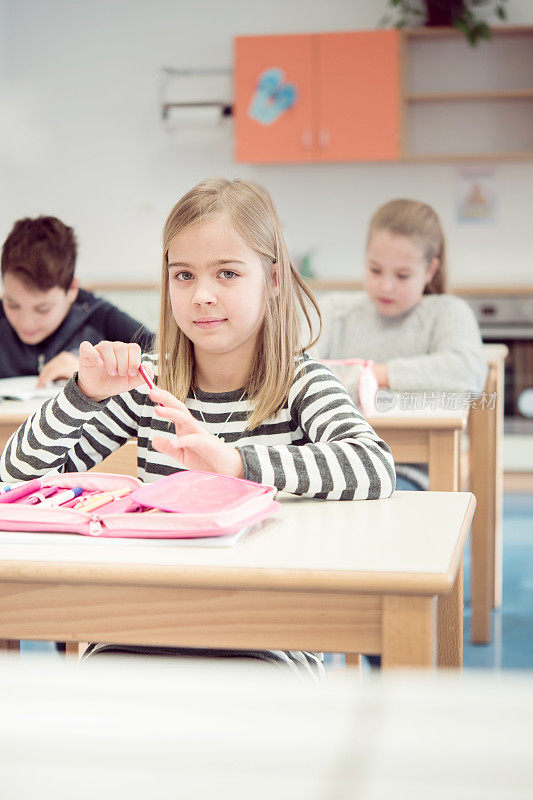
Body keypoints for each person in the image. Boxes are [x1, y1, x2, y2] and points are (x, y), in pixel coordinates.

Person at [1, 178, 395, 676]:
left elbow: (375, 466)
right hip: (143, 628)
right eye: (183, 275)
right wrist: (83, 395)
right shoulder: (150, 382)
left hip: (268, 637)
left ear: (273, 279)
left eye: (227, 273)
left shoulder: (301, 381)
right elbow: (17, 476)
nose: (202, 295)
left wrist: (238, 463)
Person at [314, 198, 488, 490]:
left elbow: (468, 371)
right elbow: (294, 369)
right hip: (327, 466)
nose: (386, 286)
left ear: (430, 270)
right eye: (375, 270)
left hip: (404, 473)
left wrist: (377, 375)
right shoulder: (335, 311)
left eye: (403, 275)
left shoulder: (447, 312)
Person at [0, 215, 153, 384]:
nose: (26, 323)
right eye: (12, 305)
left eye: (43, 309)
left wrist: (95, 372)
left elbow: (167, 359)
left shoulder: (99, 317)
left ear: (72, 290)